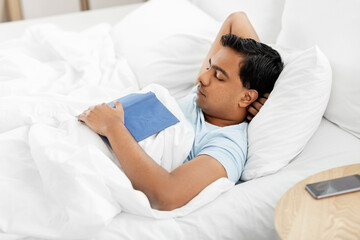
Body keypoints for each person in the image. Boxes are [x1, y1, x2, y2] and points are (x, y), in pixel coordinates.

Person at [78, 12, 283, 211]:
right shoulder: (203, 96)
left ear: (247, 97)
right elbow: (236, 19)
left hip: (98, 153)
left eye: (219, 76)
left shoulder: (226, 146)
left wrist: (112, 126)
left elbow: (165, 196)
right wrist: (265, 88)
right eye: (209, 67)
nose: (203, 78)